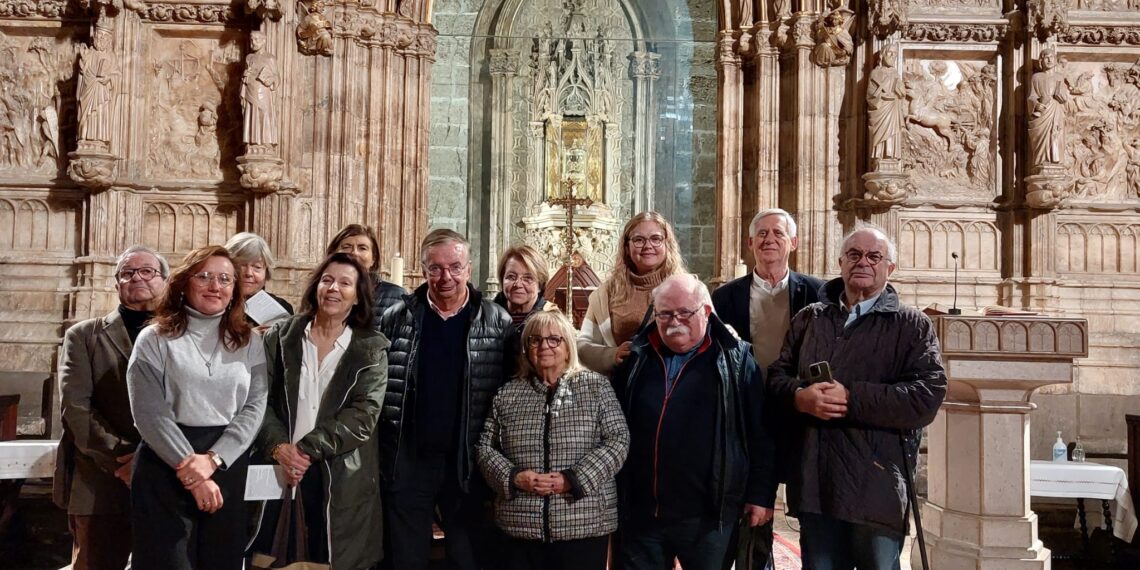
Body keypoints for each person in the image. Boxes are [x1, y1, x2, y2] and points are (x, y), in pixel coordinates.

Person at [767, 226, 947, 570]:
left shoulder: (911, 324)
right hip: (816, 481)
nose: (862, 262)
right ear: (840, 262)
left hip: (876, 483)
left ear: (889, 268)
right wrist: (800, 397)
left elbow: (927, 395)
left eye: (874, 256)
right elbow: (777, 378)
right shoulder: (810, 318)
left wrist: (852, 398)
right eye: (854, 255)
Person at [612, 274, 775, 570]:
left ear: (706, 312)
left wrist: (760, 495)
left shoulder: (735, 360)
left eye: (685, 312)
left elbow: (760, 434)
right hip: (642, 513)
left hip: (709, 517)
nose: (674, 321)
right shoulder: (637, 356)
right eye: (664, 313)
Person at [378, 228, 513, 570]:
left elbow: (508, 393)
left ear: (469, 269)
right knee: (405, 559)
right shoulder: (396, 318)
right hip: (409, 460)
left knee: (468, 558)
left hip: (466, 464)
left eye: (455, 266)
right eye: (435, 268)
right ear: (423, 270)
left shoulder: (497, 321)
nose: (445, 277)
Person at [126, 245, 268, 570]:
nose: (215, 286)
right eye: (204, 276)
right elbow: (149, 413)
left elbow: (255, 407)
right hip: (165, 464)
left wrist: (215, 459)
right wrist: (194, 475)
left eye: (225, 279)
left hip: (226, 464)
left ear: (235, 290)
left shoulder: (250, 341)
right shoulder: (154, 338)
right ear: (185, 282)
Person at [252, 252, 389, 569]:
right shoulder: (281, 336)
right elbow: (258, 399)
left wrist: (303, 451)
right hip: (280, 468)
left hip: (339, 474)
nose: (333, 289)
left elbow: (364, 414)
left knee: (332, 557)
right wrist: (279, 448)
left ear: (357, 297)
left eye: (345, 283)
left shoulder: (371, 346)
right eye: (327, 280)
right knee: (271, 556)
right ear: (316, 286)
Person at [711, 208, 823, 568]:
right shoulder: (726, 297)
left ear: (793, 242)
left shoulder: (817, 293)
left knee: (809, 505)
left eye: (778, 233)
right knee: (753, 506)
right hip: (747, 413)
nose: (769, 239)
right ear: (749, 243)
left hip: (799, 411)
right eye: (761, 234)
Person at [476, 311, 629, 570]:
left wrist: (572, 478)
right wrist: (514, 477)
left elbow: (618, 440)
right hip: (521, 524)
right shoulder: (508, 394)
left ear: (568, 347)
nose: (544, 346)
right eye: (535, 340)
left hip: (583, 523)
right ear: (526, 349)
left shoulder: (596, 387)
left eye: (554, 340)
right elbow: (484, 448)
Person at [54, 245, 168, 570]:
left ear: (165, 281)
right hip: (99, 482)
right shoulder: (84, 336)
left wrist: (150, 462)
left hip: (166, 481)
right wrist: (124, 461)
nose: (136, 277)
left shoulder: (182, 335)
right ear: (116, 284)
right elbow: (75, 410)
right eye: (127, 273)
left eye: (147, 271)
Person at [578, 212, 687, 375]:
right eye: (638, 240)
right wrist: (611, 355)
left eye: (656, 239)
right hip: (624, 388)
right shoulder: (605, 294)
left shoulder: (689, 289)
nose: (648, 246)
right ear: (627, 248)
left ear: (667, 245)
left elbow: (709, 335)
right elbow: (583, 346)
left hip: (675, 384)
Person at [326, 223, 405, 327]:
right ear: (333, 255)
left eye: (362, 248)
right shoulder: (323, 291)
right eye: (346, 247)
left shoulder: (396, 296)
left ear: (373, 259)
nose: (354, 253)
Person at [224, 231, 294, 321]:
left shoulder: (281, 309)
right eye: (241, 264)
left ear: (266, 272)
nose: (248, 273)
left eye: (257, 267)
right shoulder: (213, 302)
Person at [494, 244, 559, 335]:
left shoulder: (553, 320)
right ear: (502, 279)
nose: (518, 284)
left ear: (540, 285)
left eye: (528, 278)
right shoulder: (485, 315)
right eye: (511, 277)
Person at [1027, 46, 1068, 171]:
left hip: (1055, 109)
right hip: (1043, 111)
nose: (1049, 60)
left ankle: (1056, 162)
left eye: (1051, 57)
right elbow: (1031, 96)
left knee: (1056, 134)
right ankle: (1041, 161)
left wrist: (1061, 96)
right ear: (1041, 61)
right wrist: (1035, 104)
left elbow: (1065, 97)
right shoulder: (1036, 77)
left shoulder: (1060, 77)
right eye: (1046, 58)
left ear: (1055, 60)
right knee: (1042, 139)